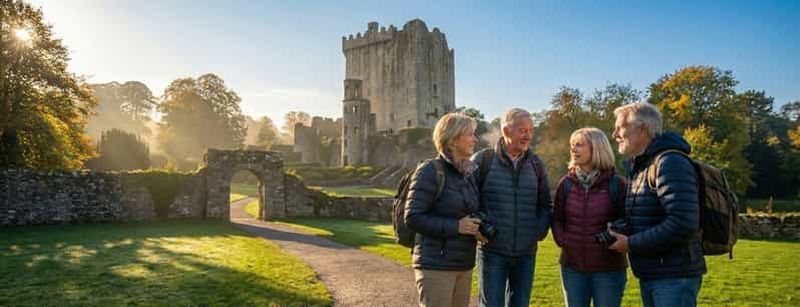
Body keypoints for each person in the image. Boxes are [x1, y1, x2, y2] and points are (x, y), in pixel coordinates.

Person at [608, 102, 706, 307]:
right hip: (656, 272)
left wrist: (631, 244)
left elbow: (682, 222)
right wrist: (621, 229)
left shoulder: (669, 163)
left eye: (620, 127)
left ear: (642, 128)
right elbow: (649, 217)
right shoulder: (644, 166)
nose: (614, 134)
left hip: (674, 275)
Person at [472, 108, 552, 307]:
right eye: (522, 130)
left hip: (526, 253)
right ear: (506, 131)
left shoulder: (536, 164)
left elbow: (544, 204)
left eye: (530, 131)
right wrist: (482, 228)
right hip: (493, 250)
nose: (528, 136)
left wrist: (538, 232)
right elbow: (469, 202)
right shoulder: (483, 160)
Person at [404, 112, 482, 307]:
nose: (475, 139)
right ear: (454, 139)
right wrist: (456, 226)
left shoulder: (468, 174)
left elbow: (468, 212)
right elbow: (413, 217)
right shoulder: (430, 170)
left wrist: (478, 228)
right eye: (470, 134)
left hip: (463, 264)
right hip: (435, 266)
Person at [552, 127, 628, 307]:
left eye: (579, 145)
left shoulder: (617, 184)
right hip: (572, 268)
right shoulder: (566, 184)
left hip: (608, 269)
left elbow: (628, 220)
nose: (573, 149)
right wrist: (564, 241)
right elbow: (556, 219)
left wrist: (615, 231)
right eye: (572, 145)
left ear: (596, 148)